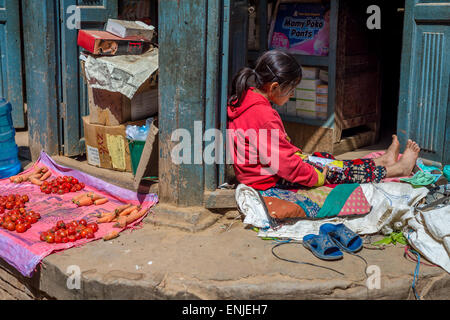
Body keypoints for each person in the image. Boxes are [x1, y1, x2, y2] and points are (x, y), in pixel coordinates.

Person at [227, 50, 420, 191]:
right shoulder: (263, 115)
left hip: (258, 173)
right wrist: (316, 175)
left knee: (325, 161)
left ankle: (381, 162)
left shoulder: (245, 99)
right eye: (292, 89)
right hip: (267, 179)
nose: (292, 95)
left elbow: (277, 154)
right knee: (335, 171)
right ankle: (396, 170)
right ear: (275, 87)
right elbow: (285, 166)